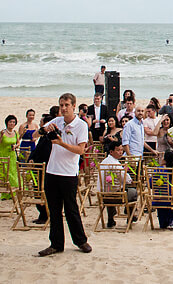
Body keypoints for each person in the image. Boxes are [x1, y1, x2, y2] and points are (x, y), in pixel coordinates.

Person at [36, 92, 91, 256]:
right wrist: (44, 129)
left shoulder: (81, 125)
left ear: (74, 106)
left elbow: (81, 150)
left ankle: (81, 241)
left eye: (67, 105)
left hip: (68, 173)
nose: (64, 108)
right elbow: (34, 135)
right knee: (54, 210)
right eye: (61, 105)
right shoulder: (57, 121)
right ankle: (56, 244)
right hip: (52, 171)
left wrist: (61, 143)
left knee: (71, 208)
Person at [97, 139, 137, 228]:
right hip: (116, 196)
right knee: (133, 192)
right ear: (111, 152)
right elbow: (126, 179)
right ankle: (130, 216)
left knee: (110, 188)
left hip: (103, 195)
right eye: (118, 150)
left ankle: (111, 219)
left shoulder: (104, 162)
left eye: (121, 150)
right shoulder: (115, 164)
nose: (120, 152)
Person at [0, 115, 20, 198]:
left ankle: (12, 192)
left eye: (13, 122)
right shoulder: (2, 132)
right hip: (3, 155)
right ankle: (5, 193)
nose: (12, 124)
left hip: (12, 155)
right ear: (7, 123)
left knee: (13, 173)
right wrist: (1, 136)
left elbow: (18, 143)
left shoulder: (15, 133)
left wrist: (15, 146)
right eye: (10, 122)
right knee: (5, 174)